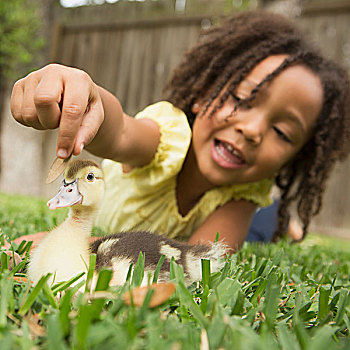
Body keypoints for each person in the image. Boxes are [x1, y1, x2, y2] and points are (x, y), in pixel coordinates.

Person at [9, 11, 350, 252]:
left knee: (259, 232)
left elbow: (200, 257)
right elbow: (123, 133)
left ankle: (281, 221)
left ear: (295, 157)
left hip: (247, 214)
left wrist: (88, 247)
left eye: (283, 132)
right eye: (243, 99)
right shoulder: (167, 138)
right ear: (203, 96)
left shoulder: (244, 194)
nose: (252, 130)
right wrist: (90, 99)